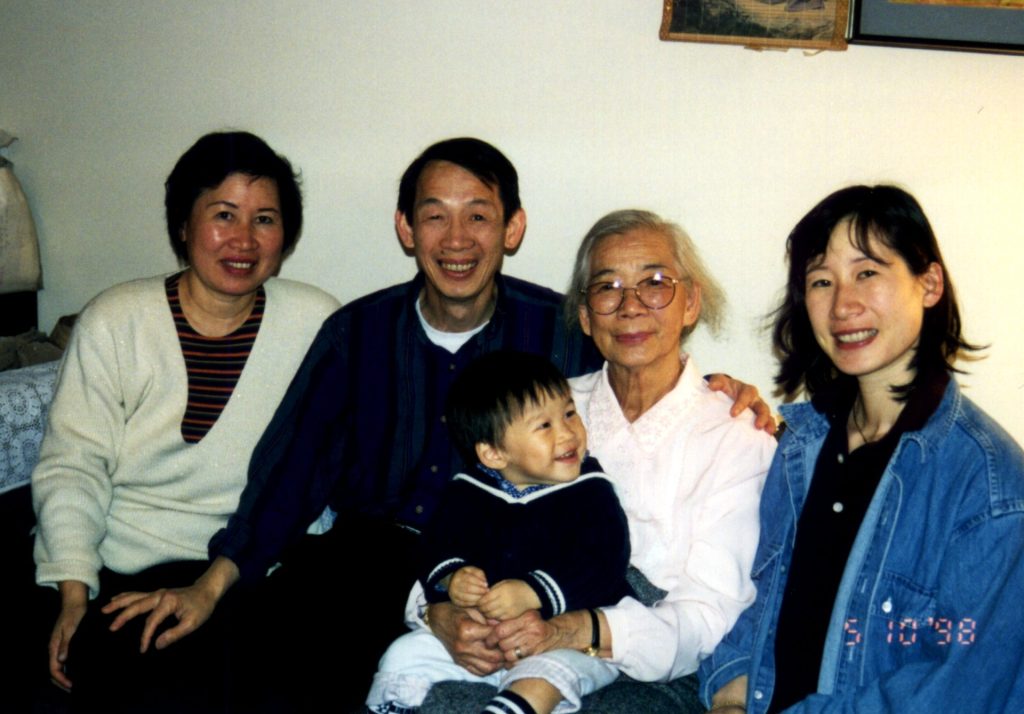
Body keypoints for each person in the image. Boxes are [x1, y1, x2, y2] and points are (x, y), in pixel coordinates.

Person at [107, 138, 770, 712]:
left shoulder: (559, 335)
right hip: (366, 563)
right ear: (406, 228)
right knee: (247, 667)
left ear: (512, 228)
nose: (457, 240)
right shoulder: (357, 333)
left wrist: (723, 391)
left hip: (504, 575)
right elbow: (292, 472)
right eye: (435, 216)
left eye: (478, 216)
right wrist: (212, 583)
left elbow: (642, 363)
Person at [29, 131, 340, 713]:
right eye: (223, 215)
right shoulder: (116, 319)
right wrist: (73, 592)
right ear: (182, 225)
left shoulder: (315, 323)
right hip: (125, 568)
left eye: (265, 219)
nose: (244, 239)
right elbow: (73, 464)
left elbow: (315, 470)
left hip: (249, 568)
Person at [424, 209, 777, 713]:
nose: (630, 306)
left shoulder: (736, 435)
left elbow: (711, 618)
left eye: (655, 283)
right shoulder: (547, 411)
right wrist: (438, 612)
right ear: (587, 316)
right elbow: (460, 522)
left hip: (657, 667)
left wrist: (574, 629)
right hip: (511, 634)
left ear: (690, 303)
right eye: (607, 288)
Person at [699, 185, 1024, 713]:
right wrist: (729, 697)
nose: (843, 305)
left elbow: (955, 687)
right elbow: (761, 605)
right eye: (821, 281)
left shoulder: (989, 486)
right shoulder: (800, 445)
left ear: (929, 284)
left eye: (867, 272)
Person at [368, 351, 632, 714]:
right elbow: (435, 544)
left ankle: (515, 707)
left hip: (566, 637)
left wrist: (534, 591)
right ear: (494, 455)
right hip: (486, 637)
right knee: (405, 652)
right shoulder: (468, 491)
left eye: (570, 413)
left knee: (548, 674)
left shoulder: (590, 490)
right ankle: (397, 703)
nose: (568, 432)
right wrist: (451, 577)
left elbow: (604, 560)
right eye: (544, 426)